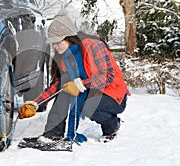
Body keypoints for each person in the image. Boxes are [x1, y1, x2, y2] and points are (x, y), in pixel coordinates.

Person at [18, 10, 130, 143]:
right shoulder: (64, 58)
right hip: (91, 92)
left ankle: (112, 125)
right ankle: (52, 134)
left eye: (57, 41)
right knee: (65, 90)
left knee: (89, 106)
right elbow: (57, 86)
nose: (55, 46)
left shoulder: (93, 46)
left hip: (113, 96)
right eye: (52, 43)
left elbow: (109, 76)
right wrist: (36, 103)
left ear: (69, 37)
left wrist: (81, 84)